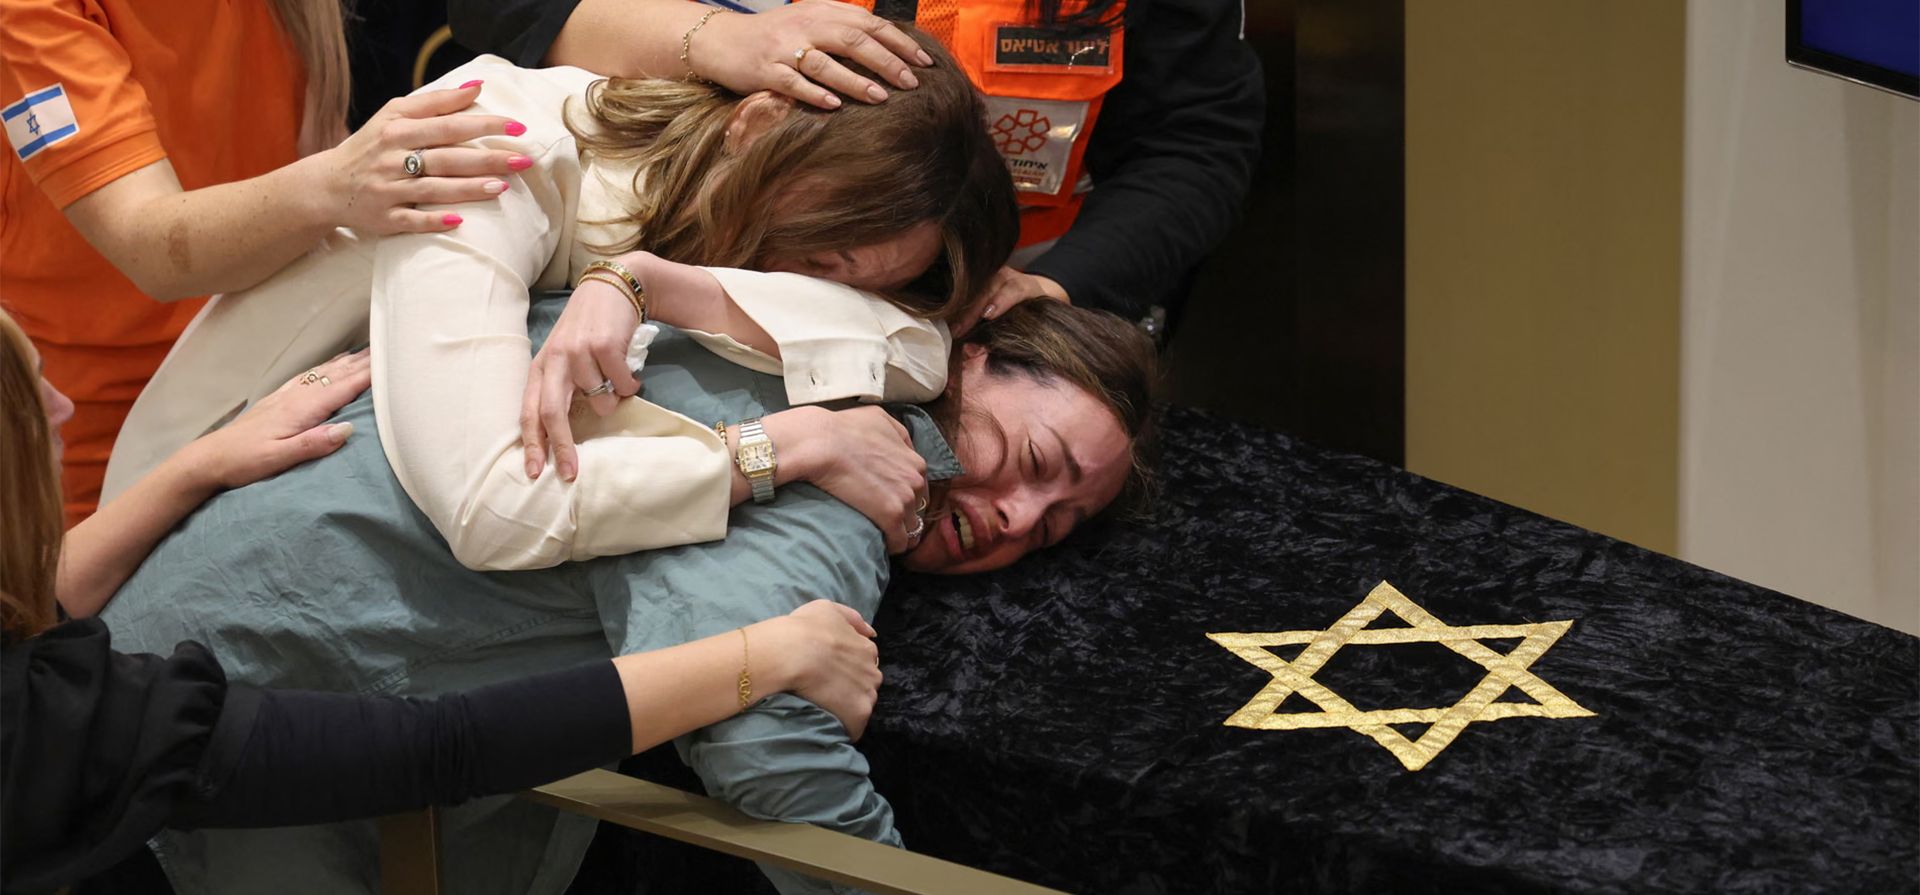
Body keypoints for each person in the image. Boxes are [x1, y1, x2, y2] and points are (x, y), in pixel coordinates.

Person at [98, 292, 1159, 895]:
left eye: (1058, 521)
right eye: (1026, 455)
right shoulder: (850, 474)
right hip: (210, 740)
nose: (1019, 515)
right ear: (965, 360)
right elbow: (767, 748)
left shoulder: (775, 307)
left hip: (148, 634)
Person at [0, 308, 885, 893]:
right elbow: (438, 748)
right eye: (36, 406)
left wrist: (198, 463)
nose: (68, 406)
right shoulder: (90, 724)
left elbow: (31, 599)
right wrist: (763, 655)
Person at [101, 43, 1018, 568]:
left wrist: (636, 279)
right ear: (755, 123)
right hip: (178, 527)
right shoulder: (487, 142)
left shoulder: (705, 172)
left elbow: (918, 349)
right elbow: (495, 510)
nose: (811, 289)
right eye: (815, 256)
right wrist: (787, 447)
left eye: (852, 280)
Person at [0, 0, 531, 523]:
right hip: (97, 443)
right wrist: (339, 182)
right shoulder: (30, 15)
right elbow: (149, 247)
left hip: (286, 361)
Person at [447, 0, 1266, 334]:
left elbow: (1195, 143)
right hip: (654, 261)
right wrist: (711, 37)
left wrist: (1060, 291)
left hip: (981, 312)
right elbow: (505, 10)